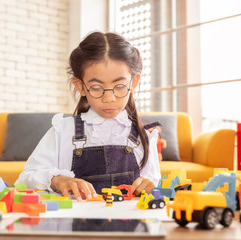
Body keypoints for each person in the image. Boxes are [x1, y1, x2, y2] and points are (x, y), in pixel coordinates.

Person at [16, 32, 161, 201]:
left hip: (128, 224)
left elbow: (152, 184)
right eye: (97, 87)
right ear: (80, 86)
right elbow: (25, 180)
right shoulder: (63, 130)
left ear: (134, 83)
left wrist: (149, 186)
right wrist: (56, 180)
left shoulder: (143, 137)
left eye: (120, 86)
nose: (109, 98)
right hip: (76, 223)